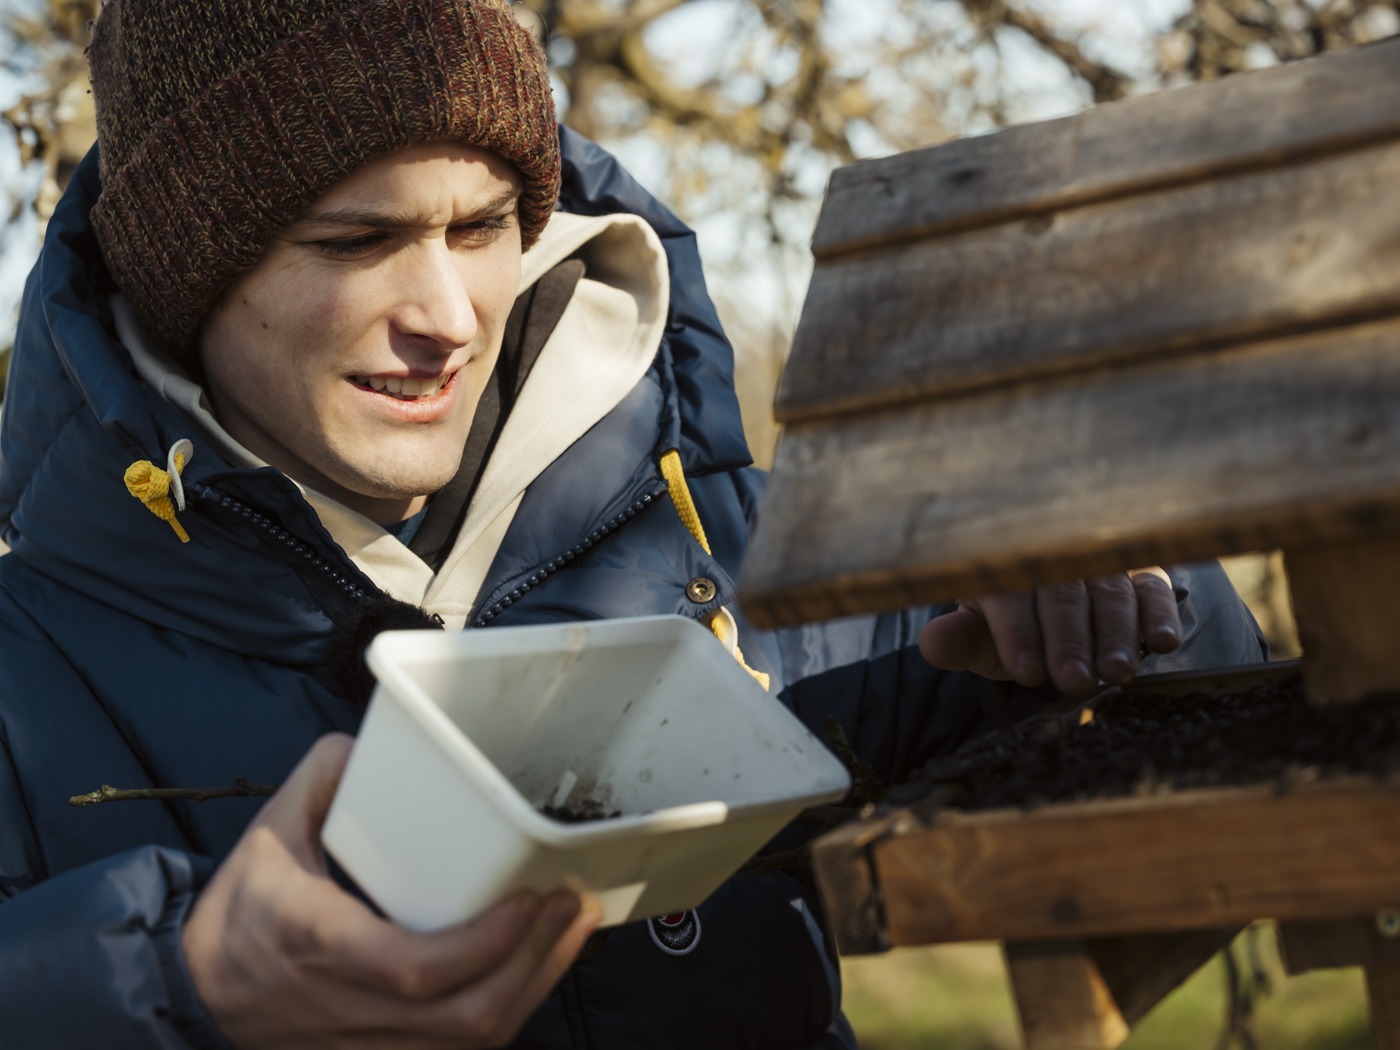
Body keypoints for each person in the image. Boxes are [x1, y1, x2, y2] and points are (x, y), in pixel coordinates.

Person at [0, 0, 1268, 1046]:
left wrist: (1099, 582)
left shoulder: (724, 553)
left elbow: (1229, 702)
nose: (445, 313)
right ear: (184, 280)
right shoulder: (27, 673)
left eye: (483, 224)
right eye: (357, 240)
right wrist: (169, 983)